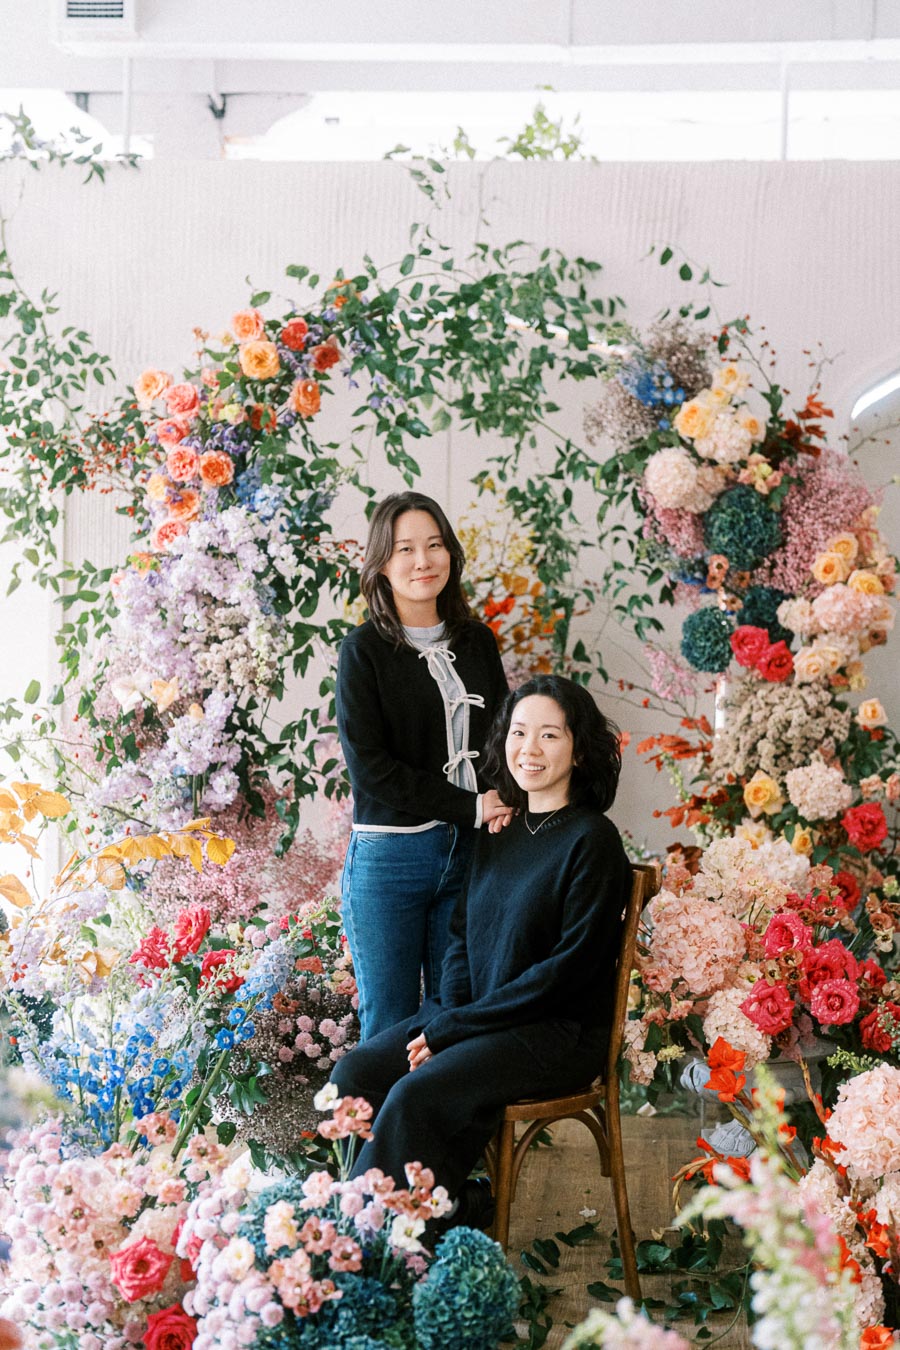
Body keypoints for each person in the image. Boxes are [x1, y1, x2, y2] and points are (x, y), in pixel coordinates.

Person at [330, 674, 631, 1224]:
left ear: (580, 749)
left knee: (415, 1095)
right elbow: (461, 937)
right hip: (482, 1018)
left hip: (554, 1031)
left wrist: (454, 1029)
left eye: (549, 736)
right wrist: (448, 1012)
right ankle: (435, 1216)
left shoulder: (593, 840)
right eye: (519, 733)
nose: (529, 749)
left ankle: (381, 1248)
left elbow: (565, 973)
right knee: (357, 1075)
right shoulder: (501, 830)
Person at [335, 491, 512, 1041]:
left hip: (470, 855)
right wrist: (469, 804)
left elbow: (503, 736)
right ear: (382, 564)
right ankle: (368, 1134)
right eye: (405, 548)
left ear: (450, 555)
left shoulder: (477, 641)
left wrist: (503, 802)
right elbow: (370, 768)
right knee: (387, 1027)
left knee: (451, 1022)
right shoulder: (362, 650)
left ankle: (439, 1130)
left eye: (434, 545)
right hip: (391, 859)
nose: (422, 561)